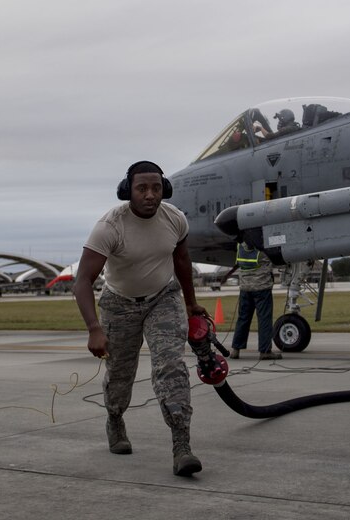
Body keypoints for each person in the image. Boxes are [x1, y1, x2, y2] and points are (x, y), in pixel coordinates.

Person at [72, 160, 209, 477]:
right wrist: (94, 328)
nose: (150, 195)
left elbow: (182, 260)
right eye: (142, 188)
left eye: (156, 188)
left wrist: (191, 304)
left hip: (164, 297)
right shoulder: (110, 226)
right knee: (121, 373)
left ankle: (182, 446)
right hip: (119, 304)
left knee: (171, 367)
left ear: (165, 190)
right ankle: (115, 419)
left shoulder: (174, 219)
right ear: (128, 191)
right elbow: (81, 282)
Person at [226, 239, 282, 360]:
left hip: (245, 288)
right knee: (264, 319)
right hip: (262, 288)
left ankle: (236, 349)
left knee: (243, 318)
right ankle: (265, 351)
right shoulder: (262, 247)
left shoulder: (240, 245)